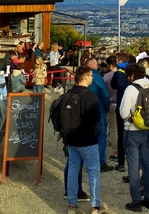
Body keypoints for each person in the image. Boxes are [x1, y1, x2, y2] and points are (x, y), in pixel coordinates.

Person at [63, 66, 104, 214]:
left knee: (73, 170)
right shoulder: (90, 96)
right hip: (88, 139)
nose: (92, 78)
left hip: (71, 139)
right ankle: (94, 205)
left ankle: (72, 205)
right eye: (91, 76)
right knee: (93, 171)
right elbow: (96, 118)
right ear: (85, 78)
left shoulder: (69, 93)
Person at [119, 63, 149, 212]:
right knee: (148, 164)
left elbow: (123, 113)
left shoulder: (131, 88)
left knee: (133, 167)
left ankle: (136, 201)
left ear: (132, 76)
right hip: (147, 130)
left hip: (132, 131)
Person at [86, 57, 113, 172]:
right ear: (91, 66)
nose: (97, 66)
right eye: (96, 65)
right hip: (98, 110)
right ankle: (100, 161)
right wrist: (106, 108)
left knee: (88, 137)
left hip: (85, 112)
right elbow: (105, 95)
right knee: (101, 136)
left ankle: (88, 161)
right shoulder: (97, 78)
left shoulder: (81, 77)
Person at [110, 52, 131, 171]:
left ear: (119, 60)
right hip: (134, 107)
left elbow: (113, 85)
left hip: (121, 105)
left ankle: (121, 162)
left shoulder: (118, 73)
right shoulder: (133, 71)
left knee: (121, 134)